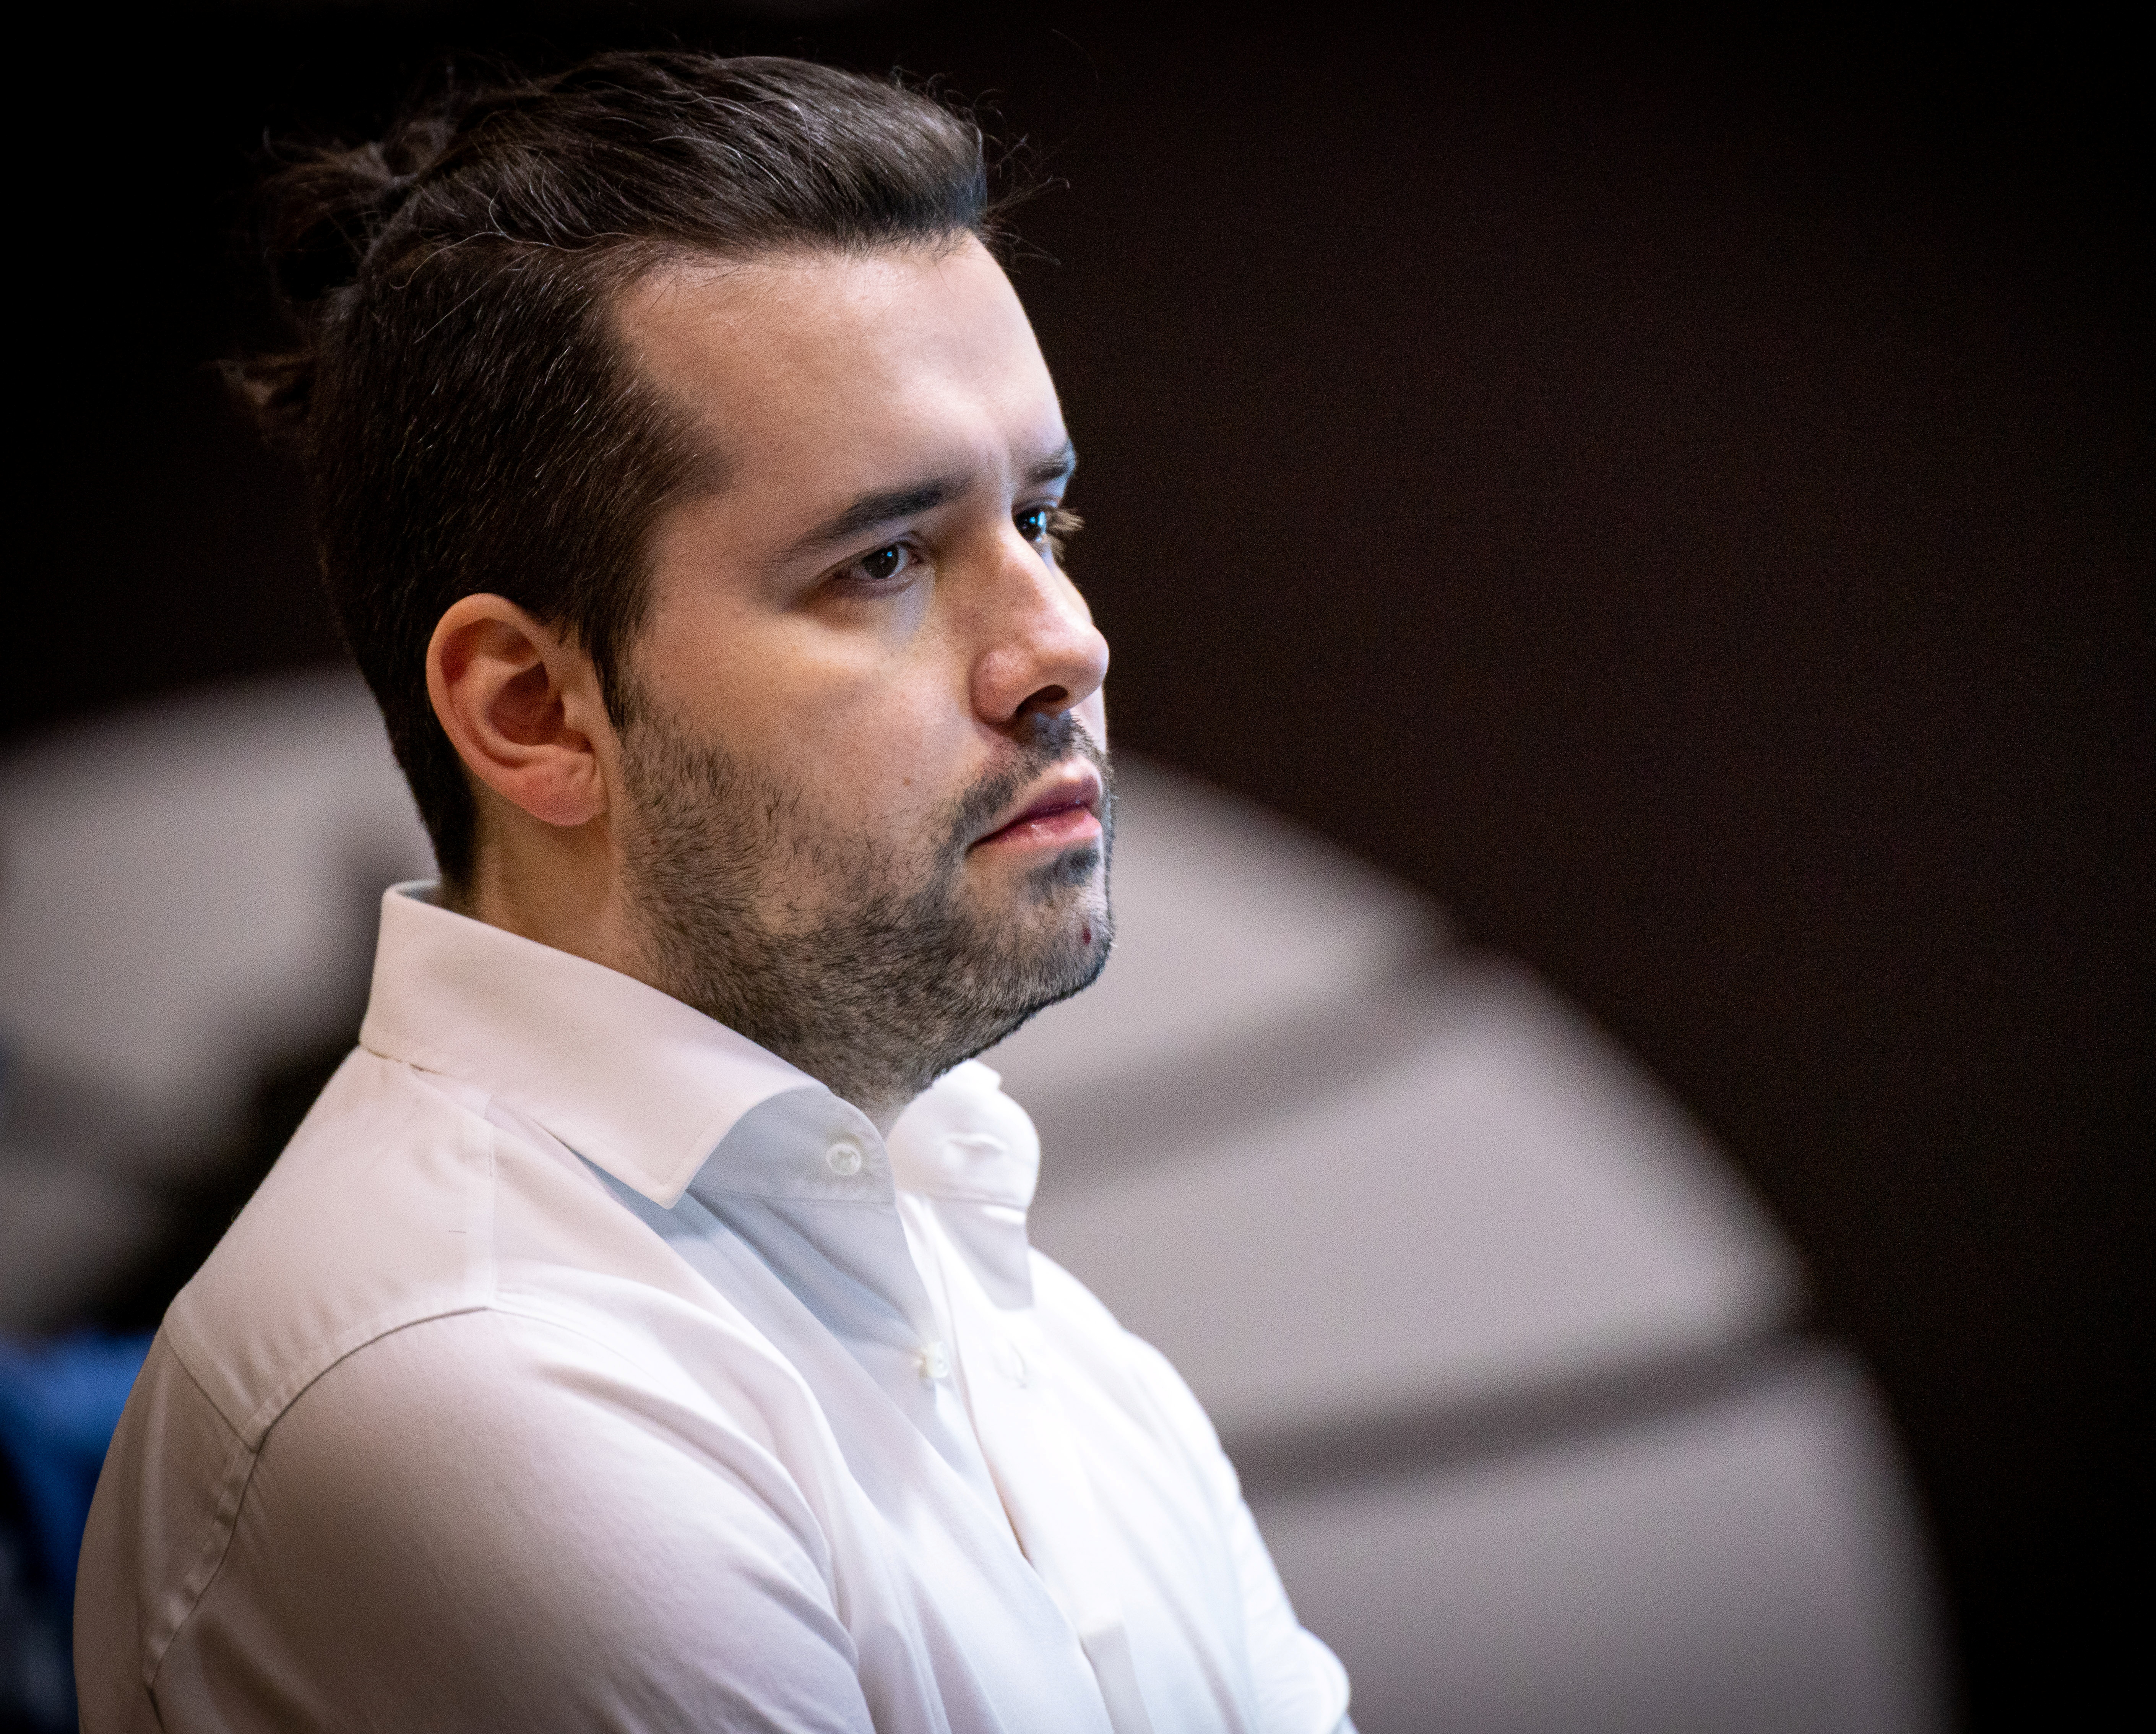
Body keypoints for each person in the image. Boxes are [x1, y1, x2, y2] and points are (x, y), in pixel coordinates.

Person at [73, 50, 1354, 1734]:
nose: (1064, 642)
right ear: (533, 711)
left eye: (1041, 516)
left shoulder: (985, 1280)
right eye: (884, 559)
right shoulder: (473, 1389)